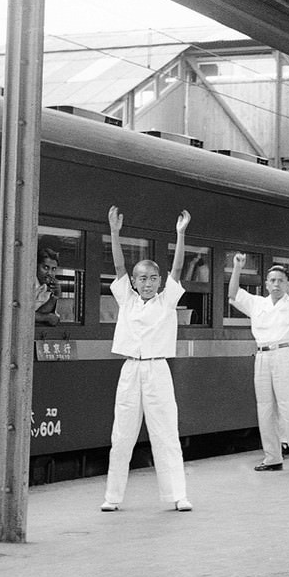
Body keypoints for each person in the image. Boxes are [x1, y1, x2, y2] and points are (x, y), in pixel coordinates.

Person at [100, 206, 193, 512]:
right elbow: (118, 267)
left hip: (158, 370)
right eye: (143, 278)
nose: (149, 282)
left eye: (154, 277)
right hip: (130, 370)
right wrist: (114, 233)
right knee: (122, 434)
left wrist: (180, 234)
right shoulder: (126, 299)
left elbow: (177, 270)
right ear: (135, 282)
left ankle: (178, 495)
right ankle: (112, 497)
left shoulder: (167, 301)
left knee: (166, 433)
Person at [227, 245, 289, 471]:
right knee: (265, 408)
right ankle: (273, 457)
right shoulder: (258, 303)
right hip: (263, 355)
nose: (276, 284)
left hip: (288, 353)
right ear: (266, 284)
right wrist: (237, 267)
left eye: (281, 281)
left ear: (288, 285)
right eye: (272, 280)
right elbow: (233, 294)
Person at [35, 247, 61, 326]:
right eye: (46, 268)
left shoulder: (46, 288)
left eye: (53, 269)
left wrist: (55, 296)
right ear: (36, 266)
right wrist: (46, 318)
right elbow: (21, 314)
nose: (50, 273)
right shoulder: (26, 284)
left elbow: (42, 313)